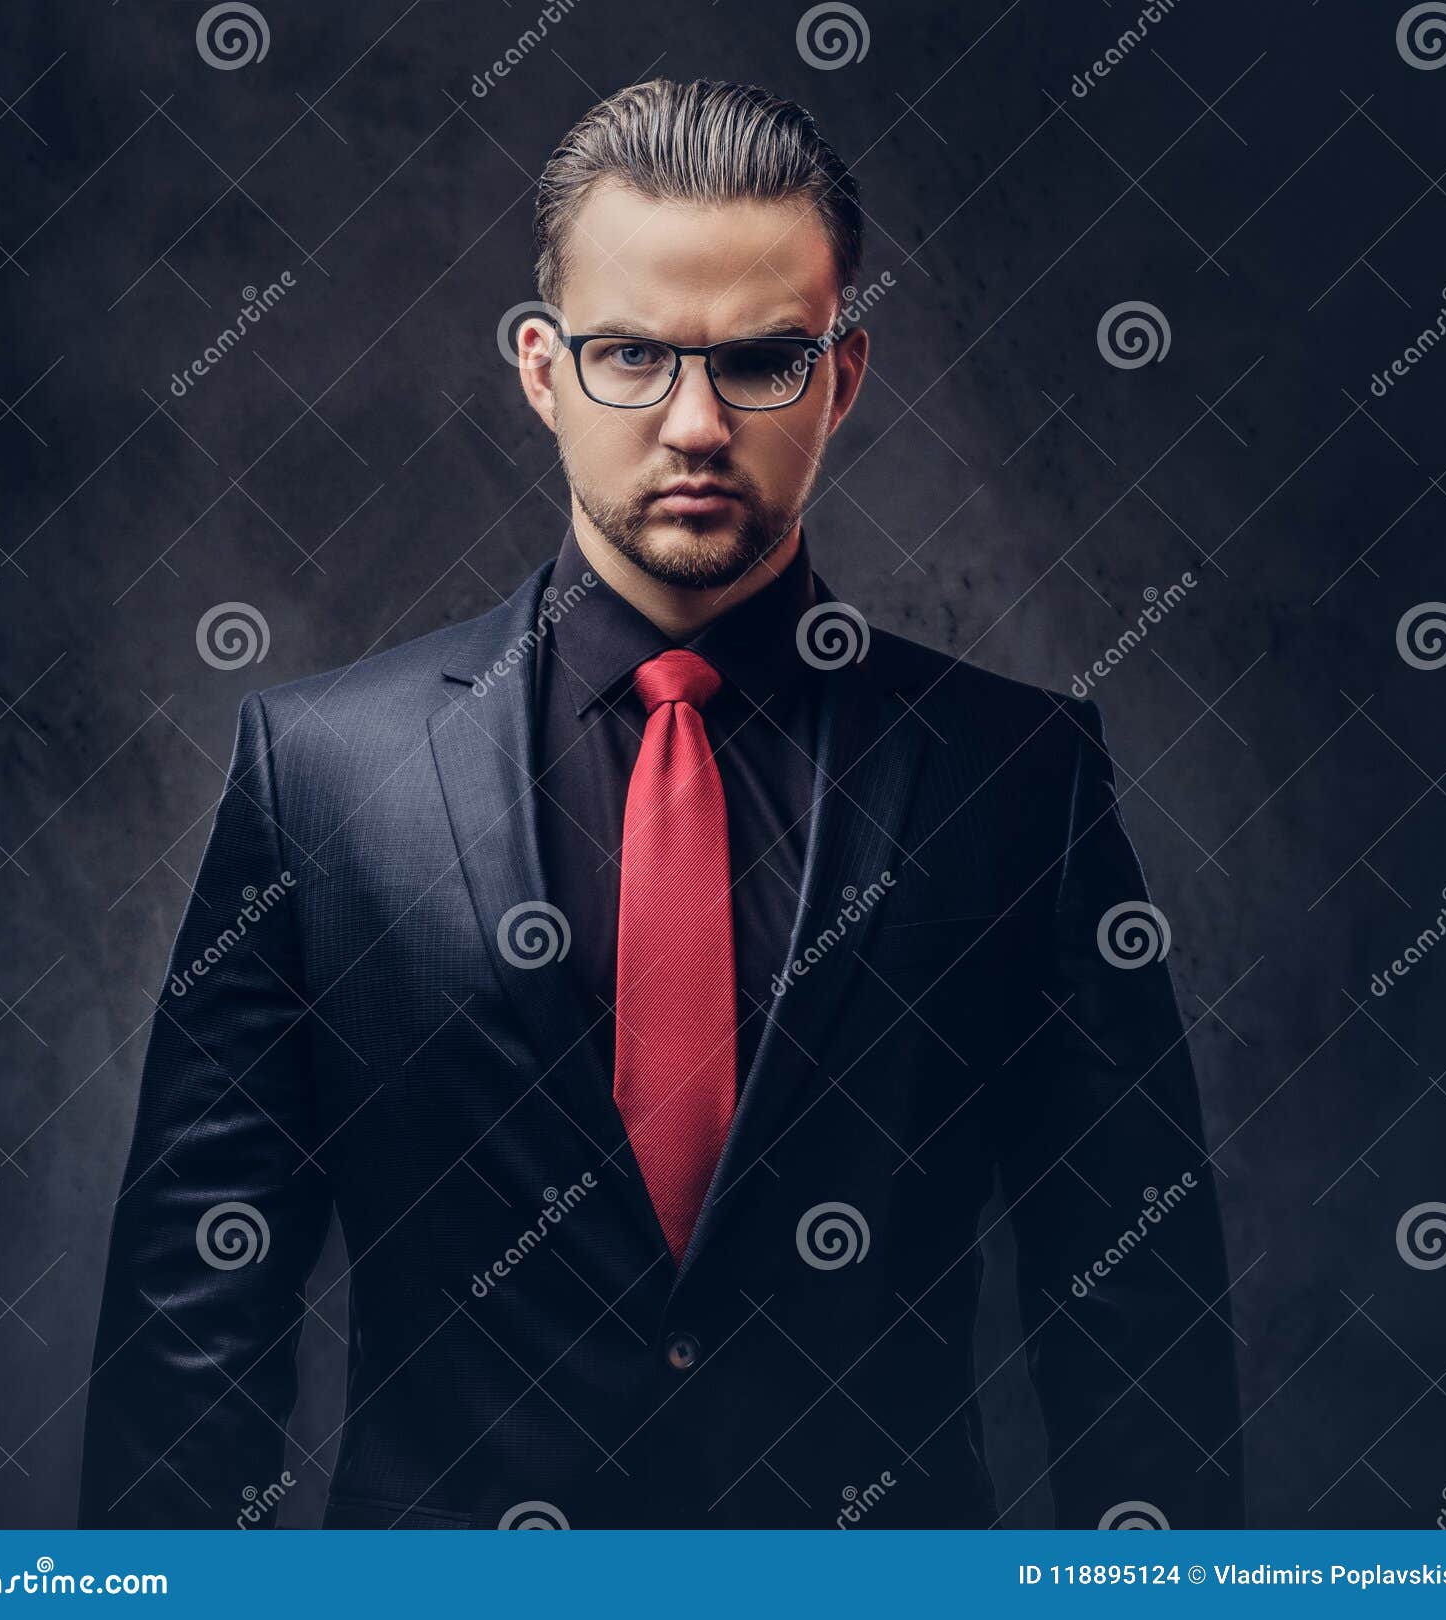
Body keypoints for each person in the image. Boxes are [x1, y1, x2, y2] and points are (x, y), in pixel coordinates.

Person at [79, 77, 1243, 1531]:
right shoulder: (321, 775)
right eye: (632, 354)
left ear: (845, 373)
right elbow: (199, 1318)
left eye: (761, 360)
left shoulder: (1019, 784)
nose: (695, 424)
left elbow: (1133, 1313)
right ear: (543, 369)